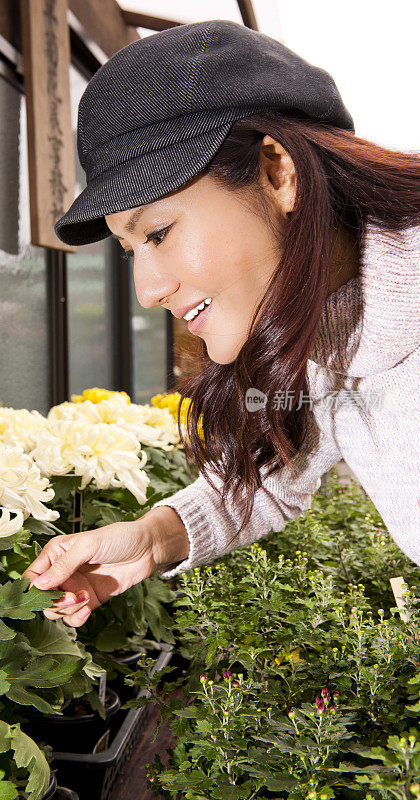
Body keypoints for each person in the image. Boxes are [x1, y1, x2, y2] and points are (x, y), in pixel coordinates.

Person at [23, 20, 420, 627]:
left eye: (158, 233)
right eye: (132, 253)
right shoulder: (319, 329)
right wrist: (155, 538)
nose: (149, 291)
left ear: (276, 173)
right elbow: (275, 477)